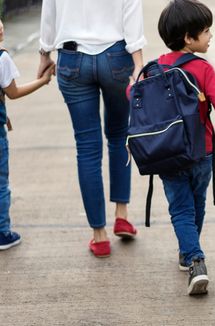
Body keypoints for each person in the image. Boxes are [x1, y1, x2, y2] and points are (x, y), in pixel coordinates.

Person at [154, 0, 215, 295]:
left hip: (167, 152)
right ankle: (194, 258)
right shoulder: (202, 69)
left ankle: (190, 254)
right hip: (202, 151)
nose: (211, 36)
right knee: (196, 204)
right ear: (189, 37)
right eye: (207, 31)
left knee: (181, 209)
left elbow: (133, 94)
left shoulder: (156, 67)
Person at [38, 0, 146, 258]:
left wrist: (44, 54)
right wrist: (139, 63)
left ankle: (99, 236)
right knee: (120, 135)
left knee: (87, 148)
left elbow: (49, 13)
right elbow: (131, 11)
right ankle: (121, 215)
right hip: (116, 57)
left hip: (71, 58)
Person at [0, 19, 55, 250]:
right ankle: (2, 232)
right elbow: (12, 92)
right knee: (1, 183)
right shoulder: (2, 58)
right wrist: (43, 81)